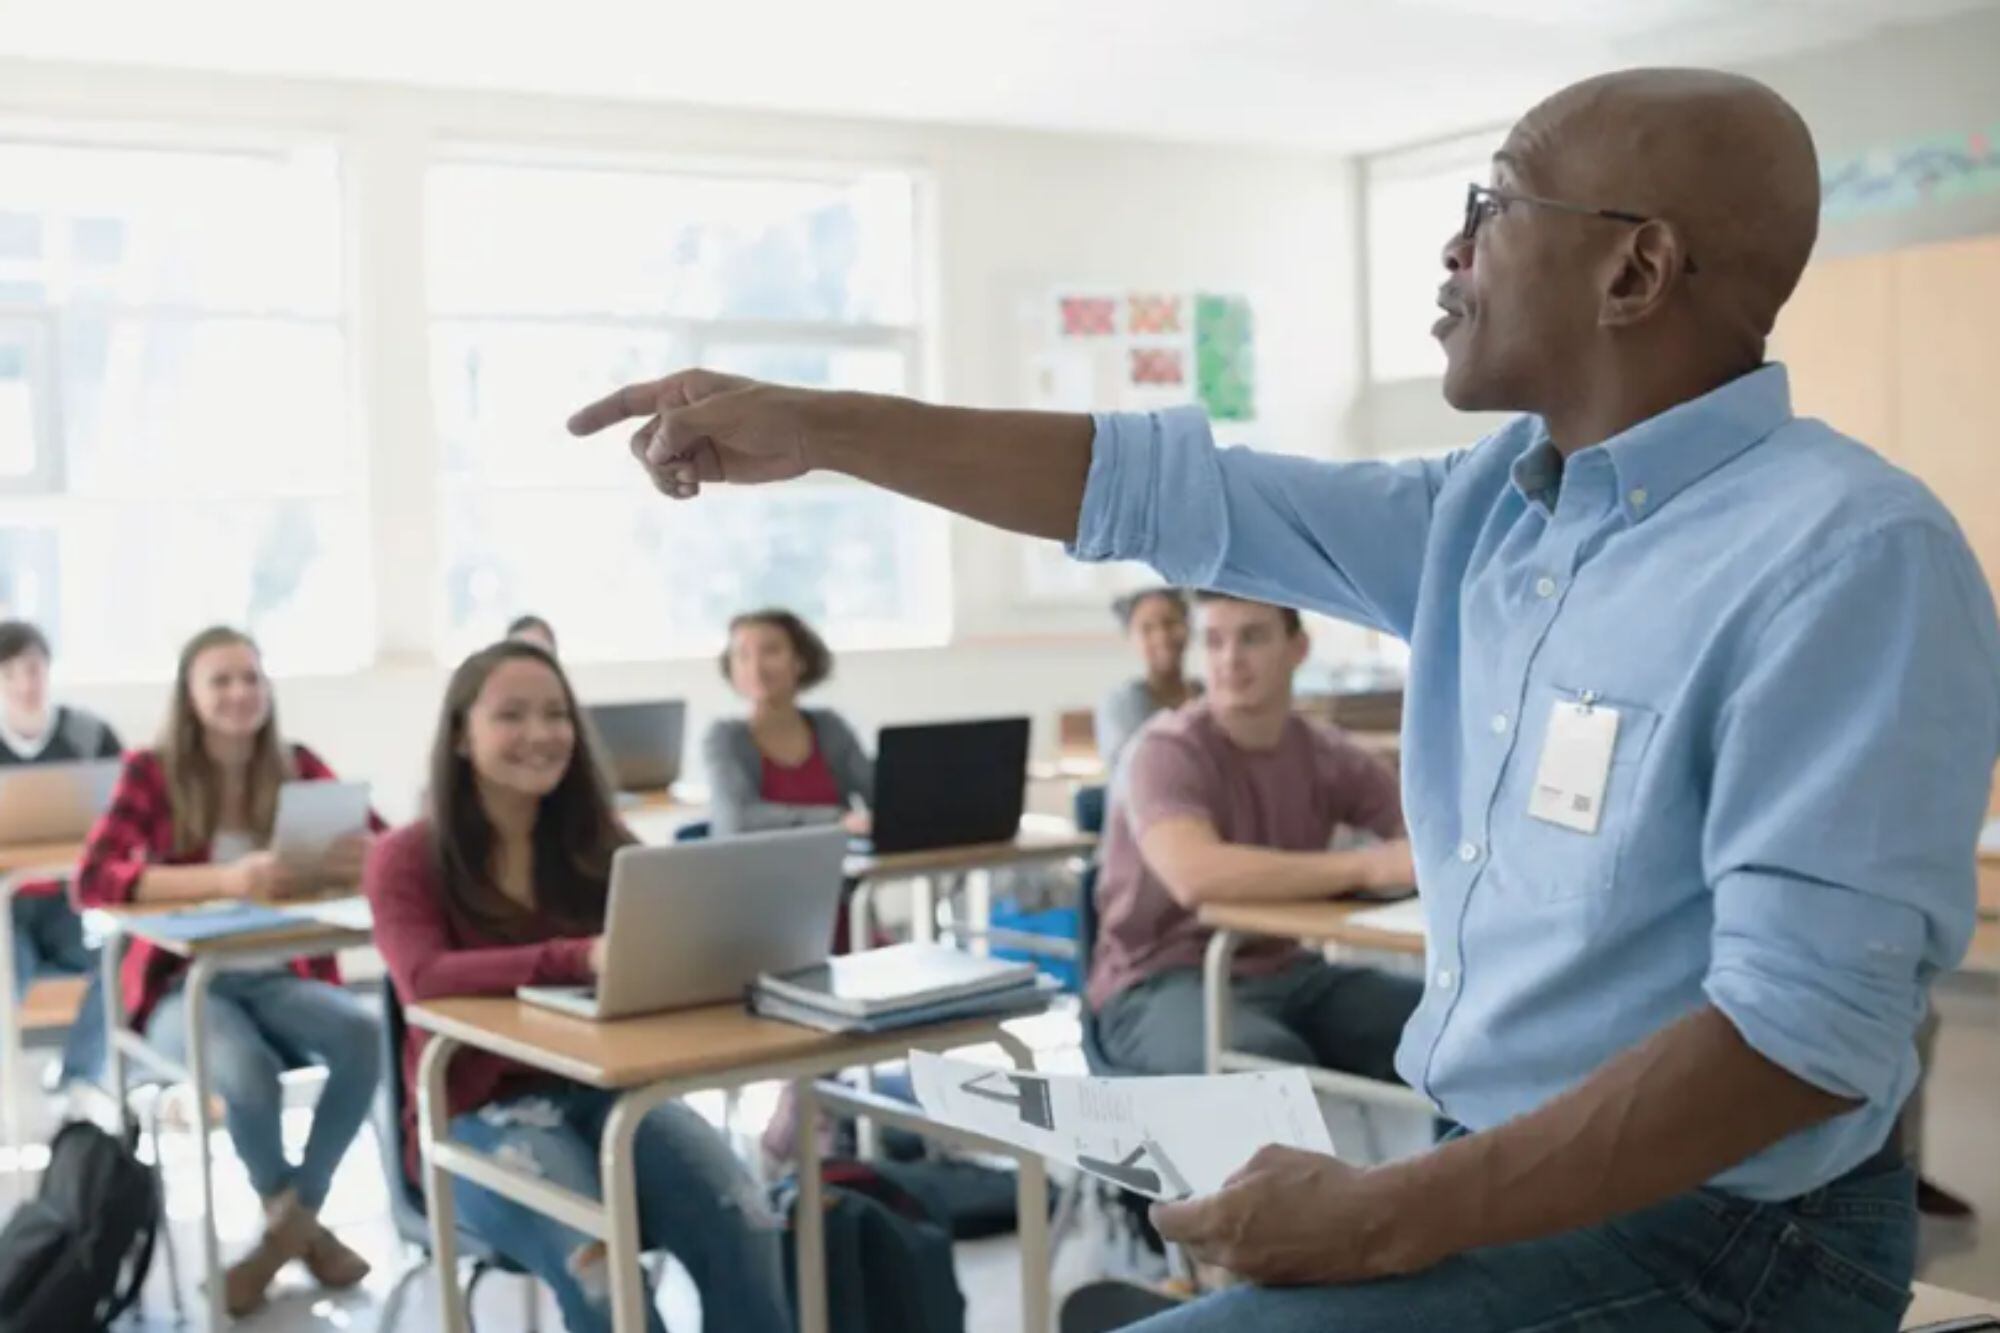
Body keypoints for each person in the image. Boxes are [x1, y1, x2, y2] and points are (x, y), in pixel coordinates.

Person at [570, 67, 2000, 1332]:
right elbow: (1159, 489)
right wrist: (817, 424)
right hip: (1515, 1178)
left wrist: (1389, 1216)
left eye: (1491, 205)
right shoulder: (1490, 515)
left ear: (1636, 270)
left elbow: (1797, 1043)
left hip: (1730, 1248)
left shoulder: (1847, 557)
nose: (1449, 250)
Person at [363, 640, 789, 1333]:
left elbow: (666, 936)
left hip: (613, 1095)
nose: (540, 734)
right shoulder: (405, 857)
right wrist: (577, 955)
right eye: (511, 715)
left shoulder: (599, 841)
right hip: (475, 1117)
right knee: (603, 1275)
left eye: (556, 714)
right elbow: (424, 979)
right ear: (462, 737)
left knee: (748, 1222)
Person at [75, 626, 383, 1317]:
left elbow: (389, 852)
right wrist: (226, 878)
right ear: (190, 692)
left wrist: (351, 857)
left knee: (365, 1034)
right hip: (182, 987)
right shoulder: (150, 772)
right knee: (243, 1073)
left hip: (281, 975)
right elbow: (94, 879)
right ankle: (302, 1229)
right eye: (222, 680)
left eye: (251, 677)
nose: (241, 693)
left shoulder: (298, 764)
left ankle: (283, 1233)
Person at [1091, 593, 1418, 1078]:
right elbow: (1194, 874)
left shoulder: (1325, 752)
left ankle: (1450, 1155)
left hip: (1287, 969)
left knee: (1452, 1027)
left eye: (1252, 638)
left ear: (1298, 649)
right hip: (1159, 979)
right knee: (1267, 1067)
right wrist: (1369, 866)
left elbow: (1425, 839)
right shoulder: (1164, 750)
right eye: (1214, 641)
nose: (1230, 660)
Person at [1, 619, 121, 1089]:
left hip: (73, 901)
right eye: (9, 673)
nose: (24, 683)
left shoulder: (90, 737)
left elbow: (127, 818)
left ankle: (74, 1083)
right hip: (7, 911)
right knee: (7, 968)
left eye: (32, 668)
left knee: (120, 960)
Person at [702, 609, 872, 838]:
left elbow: (877, 791)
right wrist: (837, 819)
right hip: (755, 870)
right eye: (742, 655)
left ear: (800, 661)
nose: (756, 667)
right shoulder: (724, 738)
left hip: (835, 866)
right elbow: (739, 818)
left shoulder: (830, 727)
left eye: (770, 652)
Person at [1095, 587, 1201, 773]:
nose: (1161, 636)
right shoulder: (1121, 704)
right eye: (1147, 628)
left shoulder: (1209, 695)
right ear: (1130, 637)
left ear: (1188, 628)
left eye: (1170, 623)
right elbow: (1132, 771)